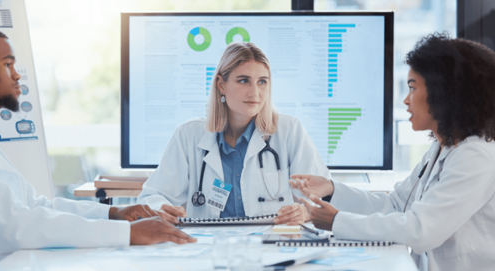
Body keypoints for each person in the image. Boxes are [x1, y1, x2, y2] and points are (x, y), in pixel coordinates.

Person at [0, 27, 195, 271]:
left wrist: (114, 214)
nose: (17, 75)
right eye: (8, 64)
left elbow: (35, 205)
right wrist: (128, 234)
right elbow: (11, 229)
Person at [291, 33, 495, 271]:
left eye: (412, 88)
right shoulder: (442, 148)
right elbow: (397, 205)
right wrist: (331, 189)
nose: (405, 101)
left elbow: (421, 230)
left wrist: (337, 221)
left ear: (444, 93)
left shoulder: (476, 156)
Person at [137, 42, 330, 225]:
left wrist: (305, 212)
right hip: (208, 246)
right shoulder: (188, 136)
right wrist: (161, 209)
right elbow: (152, 196)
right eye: (243, 80)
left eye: (262, 82)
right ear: (221, 84)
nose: (254, 92)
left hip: (271, 242)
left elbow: (321, 196)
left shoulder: (289, 131)